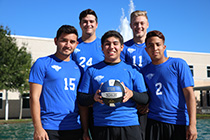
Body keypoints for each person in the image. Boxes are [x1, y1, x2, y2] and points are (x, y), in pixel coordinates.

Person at [77, 30, 149, 140]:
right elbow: (81, 99)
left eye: (115, 43)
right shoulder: (92, 71)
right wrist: (94, 98)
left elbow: (145, 98)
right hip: (102, 126)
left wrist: (131, 94)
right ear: (102, 47)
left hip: (129, 125)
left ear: (121, 47)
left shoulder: (132, 70)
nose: (111, 47)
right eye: (107, 44)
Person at [29, 25, 89, 140]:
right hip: (49, 128)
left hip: (74, 127)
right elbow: (33, 97)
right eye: (64, 40)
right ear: (56, 41)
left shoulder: (80, 69)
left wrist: (85, 130)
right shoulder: (42, 63)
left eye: (72, 42)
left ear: (76, 44)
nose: (68, 45)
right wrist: (38, 128)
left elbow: (81, 102)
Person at [141, 30, 197, 140]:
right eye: (150, 45)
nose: (155, 48)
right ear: (146, 50)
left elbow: (189, 95)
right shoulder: (144, 71)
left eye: (158, 44)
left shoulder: (178, 64)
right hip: (154, 122)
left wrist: (193, 124)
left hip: (177, 122)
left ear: (164, 47)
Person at [71, 9, 104, 139]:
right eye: (85, 22)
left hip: (100, 99)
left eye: (91, 21)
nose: (88, 24)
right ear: (80, 24)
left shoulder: (104, 45)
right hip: (80, 99)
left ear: (96, 24)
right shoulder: (74, 45)